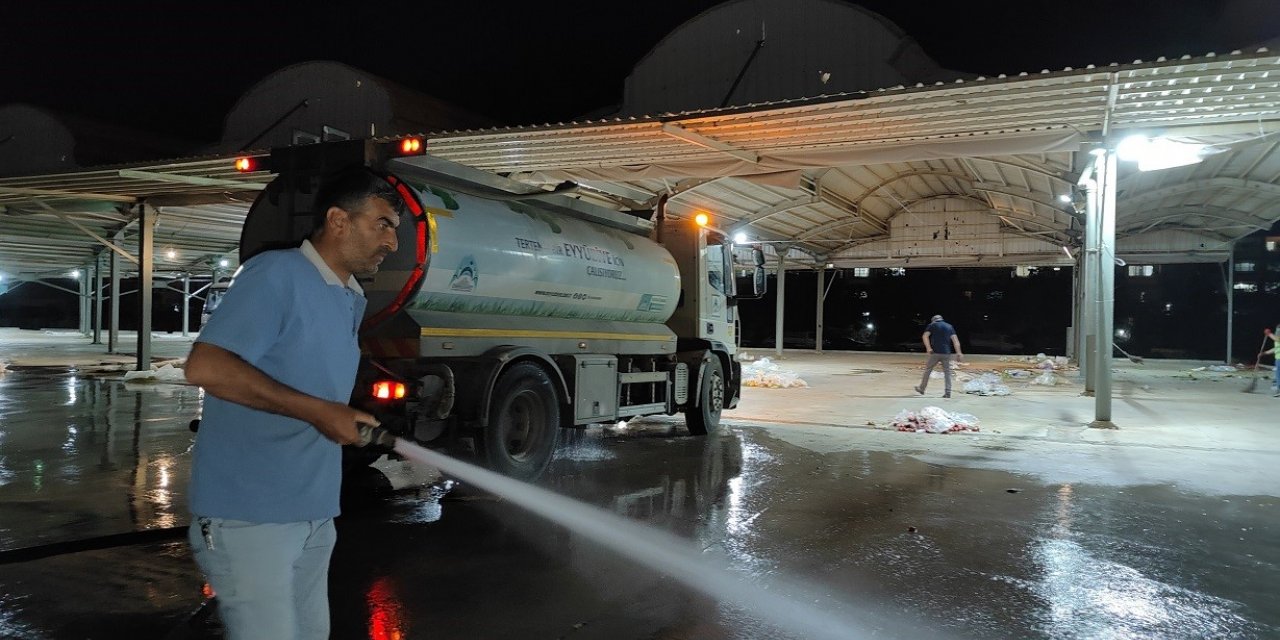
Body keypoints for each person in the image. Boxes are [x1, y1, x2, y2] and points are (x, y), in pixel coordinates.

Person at [183, 166, 402, 639]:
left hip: (314, 514)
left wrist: (336, 414)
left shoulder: (348, 295)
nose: (392, 243)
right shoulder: (277, 273)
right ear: (339, 220)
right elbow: (206, 368)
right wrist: (319, 411)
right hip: (250, 517)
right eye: (382, 223)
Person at [914, 314, 963, 398]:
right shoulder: (949, 326)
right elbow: (955, 341)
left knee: (928, 370)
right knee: (947, 372)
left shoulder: (932, 325)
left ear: (934, 320)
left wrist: (928, 348)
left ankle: (922, 388)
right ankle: (948, 391)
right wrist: (959, 353)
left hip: (935, 353)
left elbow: (925, 336)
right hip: (946, 353)